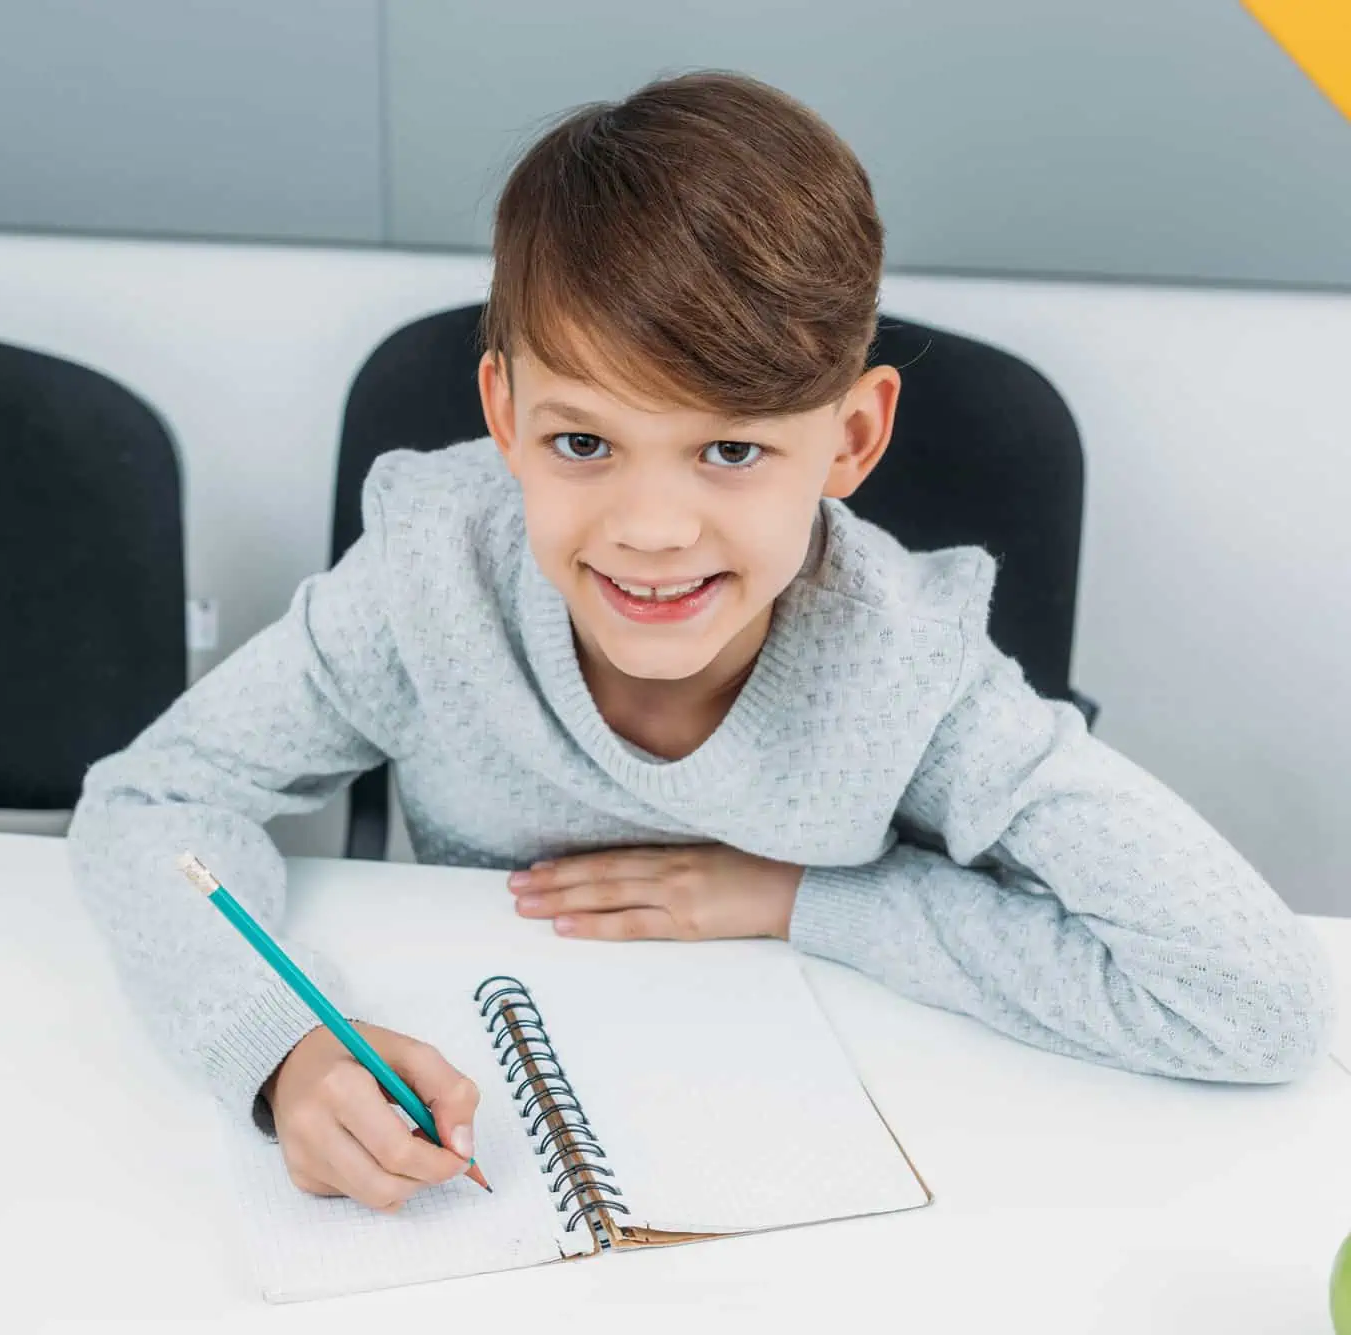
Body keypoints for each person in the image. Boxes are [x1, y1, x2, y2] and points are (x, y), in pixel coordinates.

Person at [66, 70, 1335, 1213]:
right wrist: (280, 1046)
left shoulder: (909, 669)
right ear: (502, 413)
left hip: (840, 1145)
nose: (653, 531)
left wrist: (806, 901)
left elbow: (1253, 1004)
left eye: (731, 449)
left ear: (846, 441)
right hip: (498, 1124)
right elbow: (155, 798)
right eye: (582, 444)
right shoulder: (426, 573)